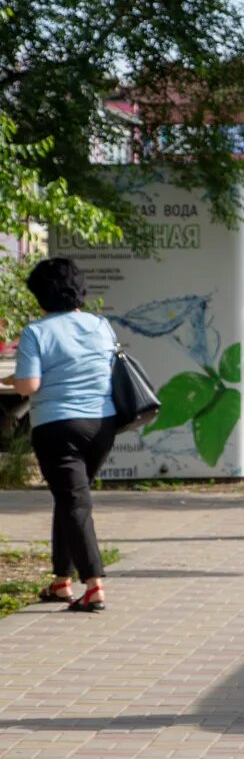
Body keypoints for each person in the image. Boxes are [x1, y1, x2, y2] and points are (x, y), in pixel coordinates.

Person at [0, 259, 118, 612]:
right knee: (69, 500)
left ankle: (94, 586)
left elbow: (30, 385)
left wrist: (11, 381)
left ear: (40, 296)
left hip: (58, 427)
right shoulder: (100, 325)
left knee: (74, 503)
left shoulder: (38, 331)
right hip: (102, 424)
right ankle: (60, 581)